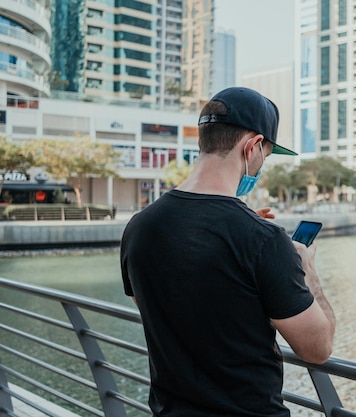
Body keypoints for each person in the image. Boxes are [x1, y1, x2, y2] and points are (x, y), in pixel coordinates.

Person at [120, 86, 336, 417]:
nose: (262, 163)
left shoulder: (139, 227)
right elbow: (318, 349)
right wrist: (304, 268)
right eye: (266, 153)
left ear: (202, 141)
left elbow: (155, 303)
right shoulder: (263, 241)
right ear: (251, 147)